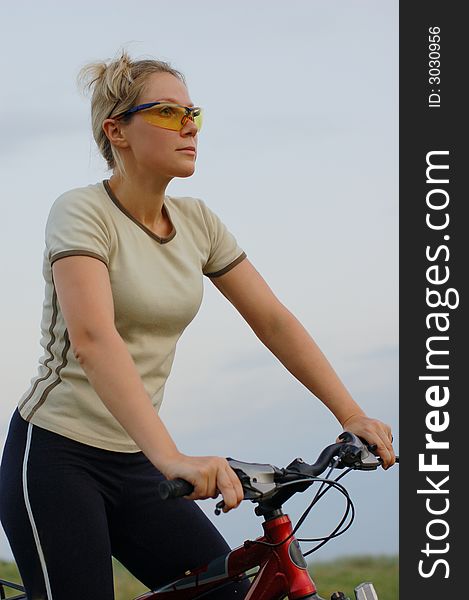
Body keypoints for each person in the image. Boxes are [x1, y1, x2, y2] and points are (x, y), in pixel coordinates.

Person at [0, 51, 395, 600]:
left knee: (231, 590)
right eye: (167, 112)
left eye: (193, 113)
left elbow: (274, 320)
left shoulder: (198, 222)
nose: (189, 126)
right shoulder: (81, 212)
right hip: (58, 456)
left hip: (138, 461)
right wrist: (172, 457)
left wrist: (350, 414)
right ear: (117, 131)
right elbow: (92, 340)